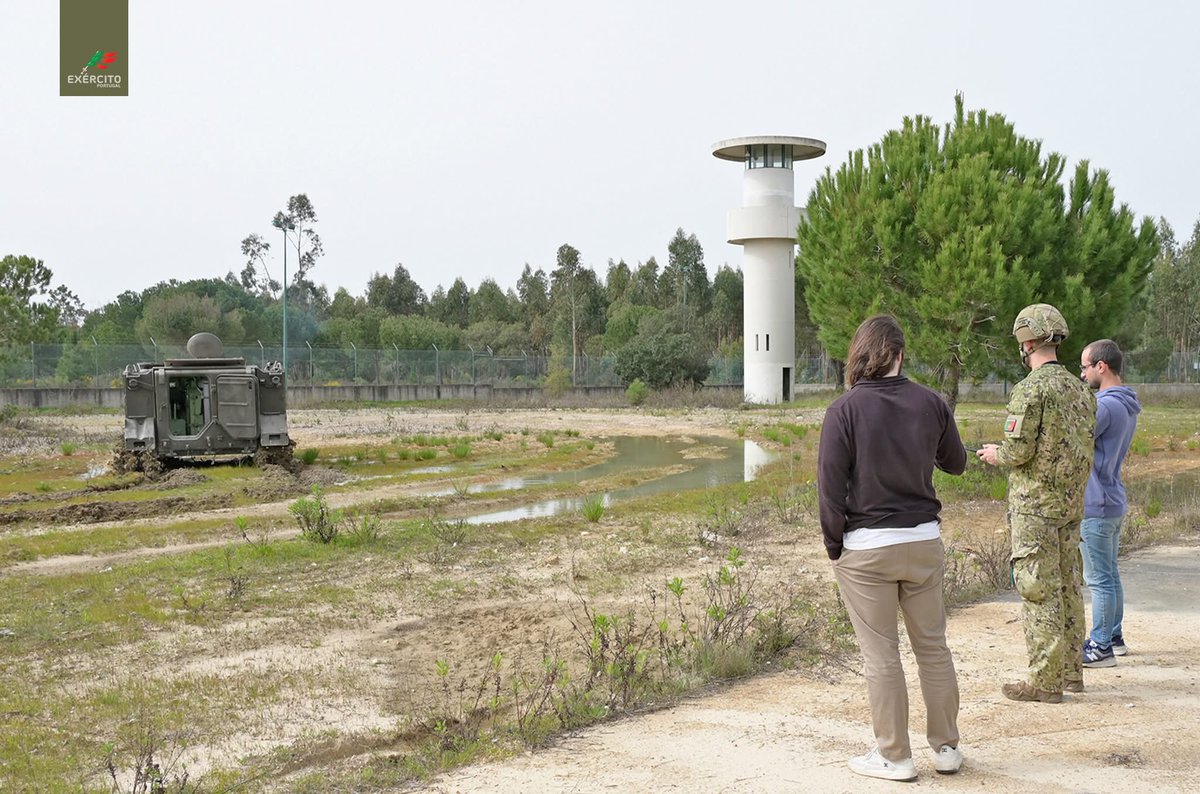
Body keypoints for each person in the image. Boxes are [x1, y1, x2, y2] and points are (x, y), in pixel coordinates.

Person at [818, 315, 967, 781]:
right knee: (933, 648)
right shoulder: (932, 403)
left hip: (868, 549)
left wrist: (834, 545)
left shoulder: (843, 411)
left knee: (882, 654)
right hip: (923, 542)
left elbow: (829, 488)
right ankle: (946, 749)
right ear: (901, 355)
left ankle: (895, 757)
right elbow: (956, 463)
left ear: (859, 355)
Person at [977, 304, 1095, 703]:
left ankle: (1045, 683)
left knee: (1037, 589)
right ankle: (1071, 673)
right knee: (1068, 585)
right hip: (1070, 504)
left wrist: (996, 453)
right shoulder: (1081, 389)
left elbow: (1019, 449)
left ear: (1026, 342)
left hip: (1035, 508)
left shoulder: (1031, 388)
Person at [1078, 339, 1141, 668]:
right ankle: (1114, 637)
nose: (1083, 374)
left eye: (1085, 367)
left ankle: (1100, 646)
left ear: (1101, 366)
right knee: (1110, 575)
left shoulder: (1105, 406)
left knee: (1099, 579)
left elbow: (1075, 438)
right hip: (1112, 499)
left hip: (1096, 503)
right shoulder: (1126, 403)